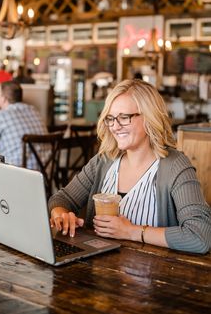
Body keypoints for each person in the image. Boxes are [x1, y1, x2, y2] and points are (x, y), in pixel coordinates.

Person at [48, 79, 211, 254]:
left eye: (124, 118)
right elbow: (61, 199)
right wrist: (60, 214)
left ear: (149, 117)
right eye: (110, 119)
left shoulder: (175, 166)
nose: (115, 127)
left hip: (156, 276)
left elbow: (200, 237)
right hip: (99, 272)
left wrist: (131, 232)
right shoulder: (104, 161)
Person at [0, 81, 48, 169]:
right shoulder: (33, 110)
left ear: (3, 98)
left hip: (17, 174)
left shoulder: (1, 115)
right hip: (43, 175)